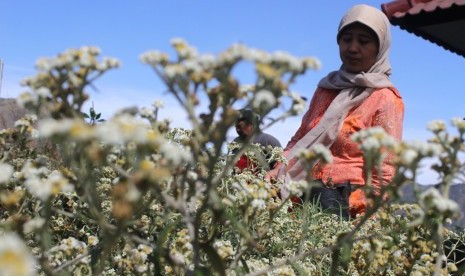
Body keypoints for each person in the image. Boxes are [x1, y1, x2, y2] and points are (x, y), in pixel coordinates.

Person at [267, 4, 404, 218]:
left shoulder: (385, 98)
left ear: (380, 47)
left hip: (347, 210)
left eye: (364, 41)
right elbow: (301, 137)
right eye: (347, 39)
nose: (352, 47)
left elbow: (385, 171)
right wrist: (279, 167)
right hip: (303, 199)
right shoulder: (326, 88)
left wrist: (367, 217)